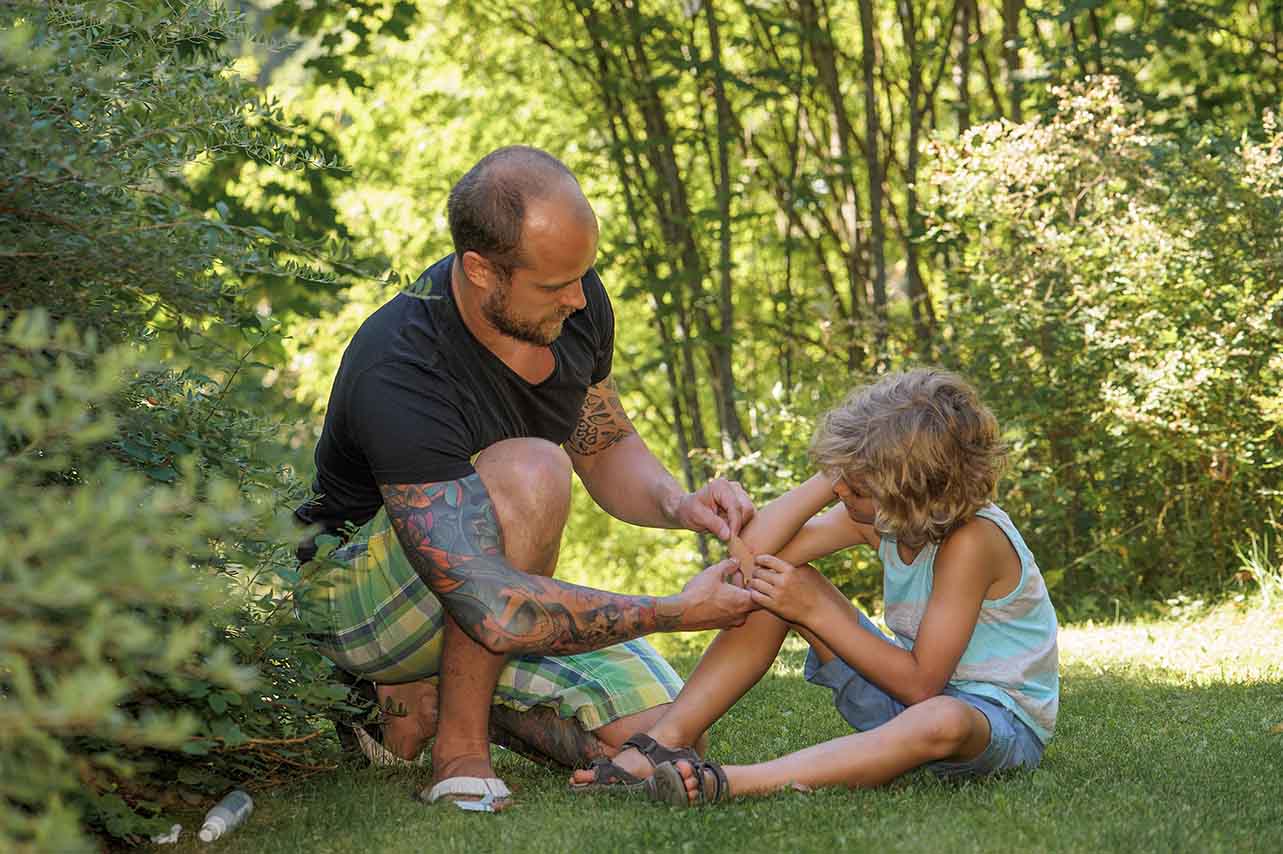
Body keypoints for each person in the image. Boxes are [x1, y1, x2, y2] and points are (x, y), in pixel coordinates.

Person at [294, 145, 757, 809]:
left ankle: (409, 708)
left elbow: (603, 444)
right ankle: (457, 752)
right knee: (533, 467)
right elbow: (489, 602)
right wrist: (675, 612)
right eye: (552, 286)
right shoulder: (399, 363)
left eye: (581, 276)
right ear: (480, 270)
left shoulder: (572, 296)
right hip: (355, 598)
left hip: (480, 602)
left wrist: (681, 504)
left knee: (662, 738)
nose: (577, 298)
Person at [570, 368, 1059, 804]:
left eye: (855, 484)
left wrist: (815, 611)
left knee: (944, 717)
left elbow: (922, 684)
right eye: (840, 479)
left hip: (988, 724)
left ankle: (732, 781)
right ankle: (667, 739)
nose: (842, 492)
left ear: (909, 495)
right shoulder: (877, 515)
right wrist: (834, 474)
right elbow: (752, 556)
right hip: (899, 701)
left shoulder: (972, 540)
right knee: (775, 581)